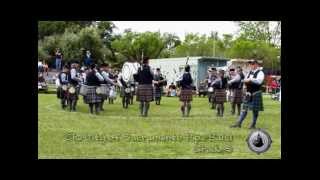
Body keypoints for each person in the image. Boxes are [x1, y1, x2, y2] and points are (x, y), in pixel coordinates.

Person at [230, 60, 265, 129]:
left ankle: (253, 124)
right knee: (244, 109)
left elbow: (259, 81)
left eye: (252, 64)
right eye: (250, 64)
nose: (251, 65)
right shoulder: (249, 72)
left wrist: (250, 79)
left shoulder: (260, 73)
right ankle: (238, 123)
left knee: (255, 110)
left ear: (256, 65)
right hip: (248, 93)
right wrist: (245, 82)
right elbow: (245, 80)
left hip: (256, 93)